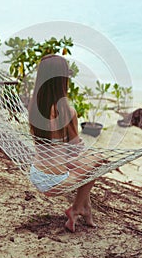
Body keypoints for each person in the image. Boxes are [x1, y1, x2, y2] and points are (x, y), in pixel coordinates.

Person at [28, 54, 98, 232]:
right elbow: (75, 149)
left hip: (36, 174)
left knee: (87, 163)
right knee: (98, 159)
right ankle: (76, 208)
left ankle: (85, 207)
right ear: (62, 80)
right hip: (55, 180)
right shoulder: (67, 111)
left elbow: (51, 148)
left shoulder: (33, 108)